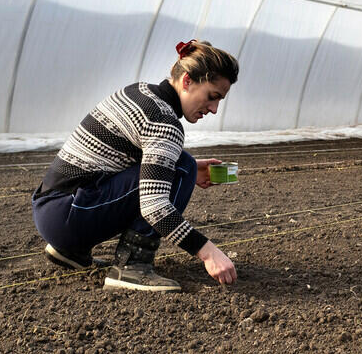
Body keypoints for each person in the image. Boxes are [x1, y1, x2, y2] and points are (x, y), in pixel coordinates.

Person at [31, 40, 239, 291]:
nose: (215, 109)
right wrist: (208, 252)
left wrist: (187, 167)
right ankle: (132, 265)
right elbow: (154, 206)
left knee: (184, 164)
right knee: (181, 166)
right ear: (187, 81)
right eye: (212, 96)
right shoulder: (164, 122)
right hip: (69, 215)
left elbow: (125, 155)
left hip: (51, 209)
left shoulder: (140, 92)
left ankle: (70, 251)